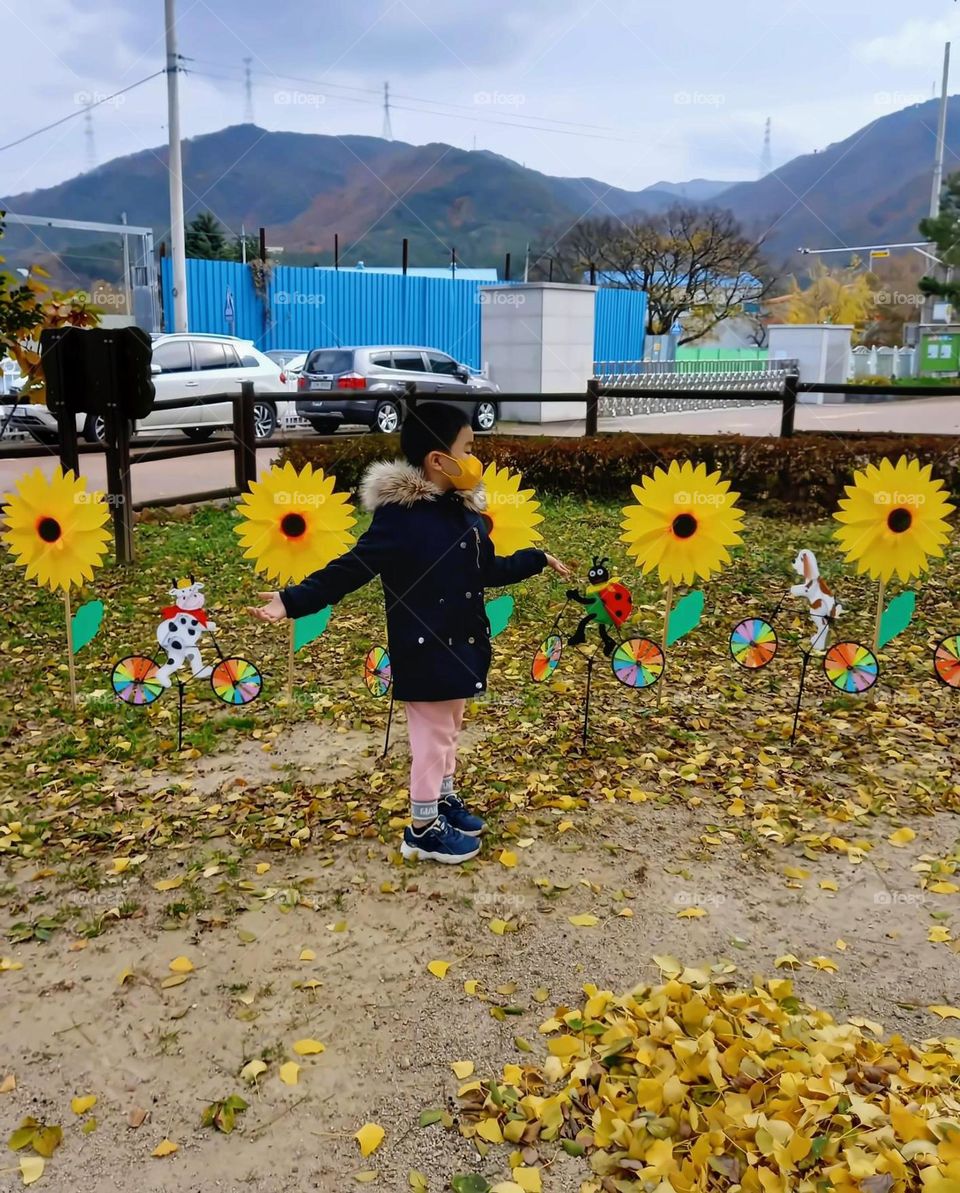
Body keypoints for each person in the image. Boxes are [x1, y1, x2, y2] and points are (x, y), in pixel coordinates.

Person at [249, 402, 570, 864]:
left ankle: (442, 800)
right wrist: (292, 600)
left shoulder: (465, 516)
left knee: (449, 730)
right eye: (468, 449)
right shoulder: (399, 520)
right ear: (438, 460)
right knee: (433, 737)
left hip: (462, 645)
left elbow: (486, 571)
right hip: (424, 648)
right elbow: (351, 569)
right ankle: (422, 828)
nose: (475, 460)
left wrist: (534, 559)